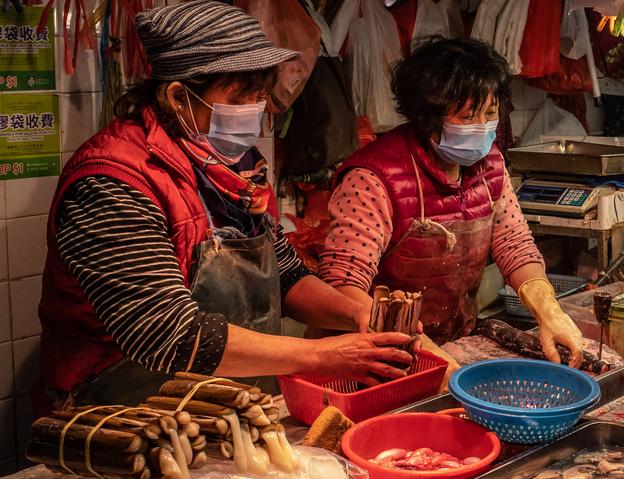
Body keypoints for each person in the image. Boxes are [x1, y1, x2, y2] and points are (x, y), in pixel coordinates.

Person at [34, 0, 413, 415]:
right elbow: (166, 334)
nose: (257, 109)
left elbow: (285, 276)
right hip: (117, 419)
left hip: (221, 407)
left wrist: (359, 313)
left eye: (260, 95)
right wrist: (327, 354)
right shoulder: (112, 181)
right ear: (178, 96)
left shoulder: (235, 166)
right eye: (242, 97)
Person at [318, 36, 584, 383]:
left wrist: (549, 310)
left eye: (490, 113)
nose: (483, 127)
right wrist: (426, 354)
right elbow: (342, 286)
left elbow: (515, 246)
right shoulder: (372, 178)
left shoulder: (490, 165)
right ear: (428, 117)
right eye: (467, 115)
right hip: (370, 359)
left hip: (455, 342)